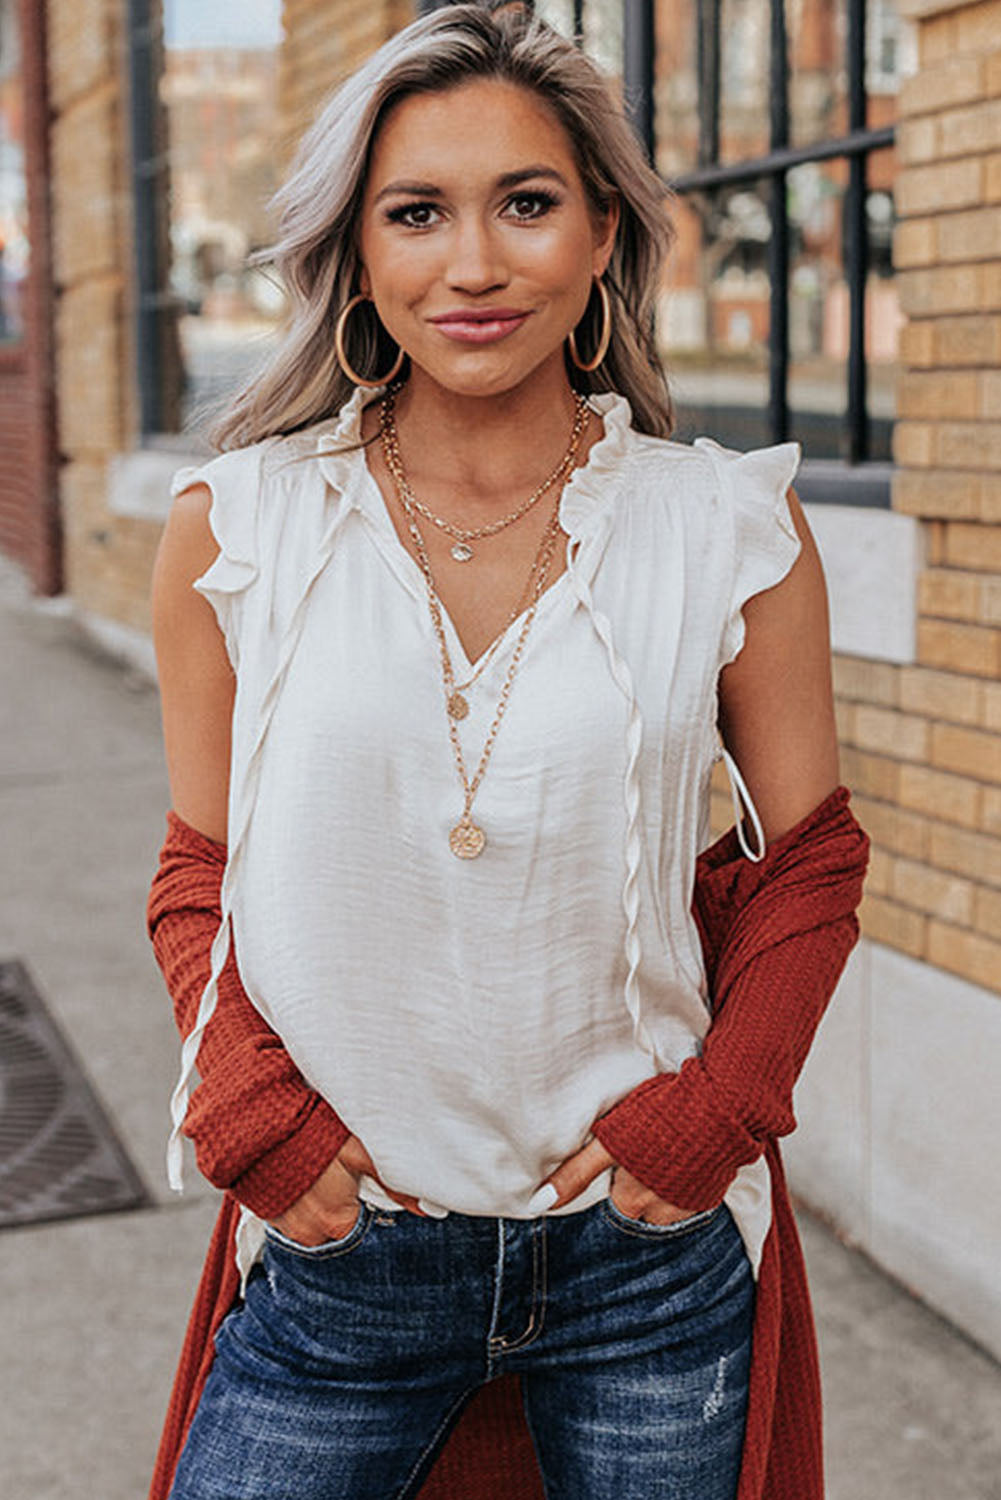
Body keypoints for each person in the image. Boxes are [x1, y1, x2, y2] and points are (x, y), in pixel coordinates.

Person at [148, 5, 867, 1499]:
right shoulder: (241, 529)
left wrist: (712, 1116)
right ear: (357, 249)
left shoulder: (726, 526)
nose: (472, 265)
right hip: (343, 1256)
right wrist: (250, 1122)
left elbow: (807, 865)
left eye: (525, 205)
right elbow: (197, 873)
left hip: (643, 1268)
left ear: (602, 234)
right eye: (416, 213)